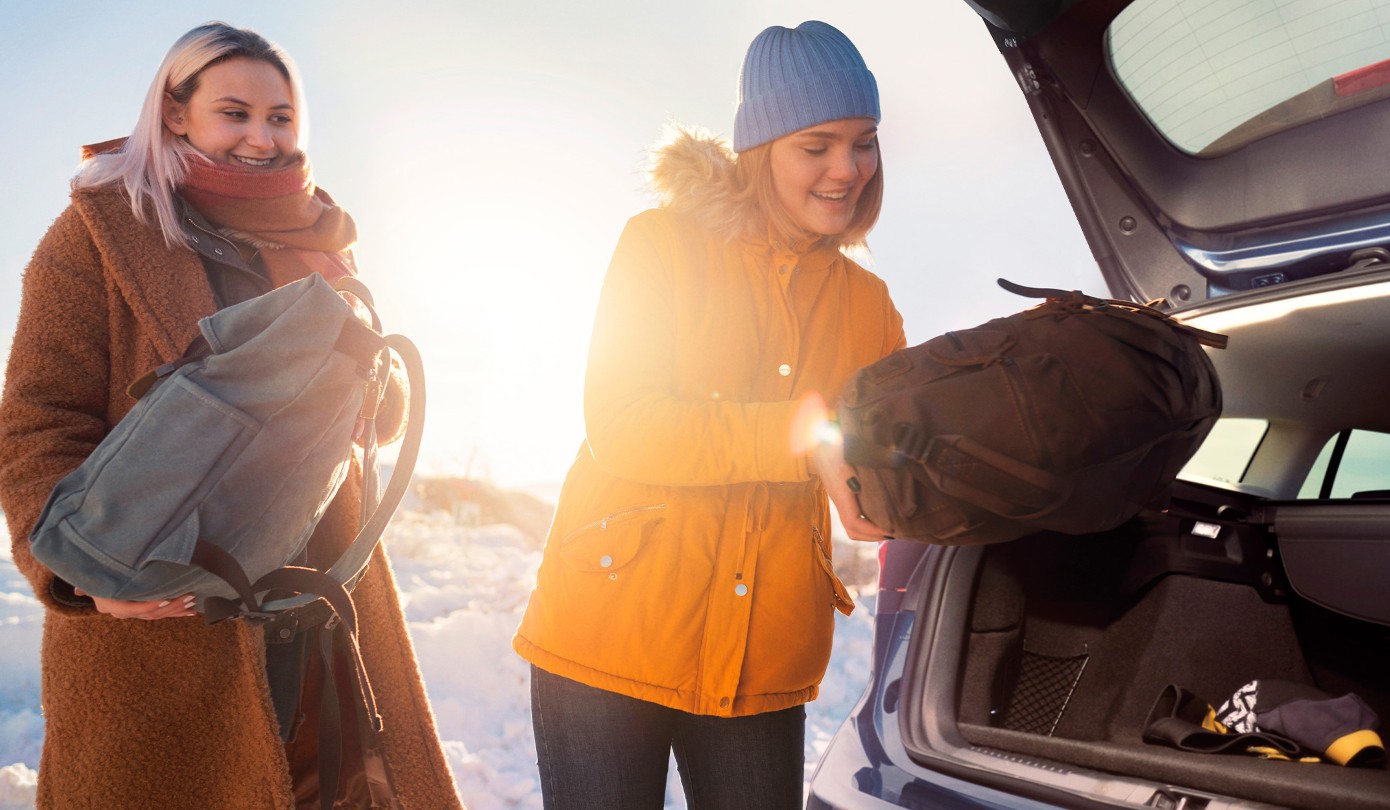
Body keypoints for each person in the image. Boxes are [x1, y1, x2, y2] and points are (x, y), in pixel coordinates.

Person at [0, 23, 463, 809]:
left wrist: (373, 389)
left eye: (280, 117)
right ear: (176, 114)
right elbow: (35, 425)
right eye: (235, 112)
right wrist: (81, 581)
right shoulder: (98, 236)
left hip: (313, 608)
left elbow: (375, 419)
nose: (262, 136)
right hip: (162, 620)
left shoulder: (319, 241)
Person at [512, 20, 905, 810]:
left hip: (764, 656)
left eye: (863, 142)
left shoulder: (869, 306)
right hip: (610, 632)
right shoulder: (661, 244)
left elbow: (892, 451)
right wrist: (804, 436)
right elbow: (625, 422)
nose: (847, 169)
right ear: (760, 150)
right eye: (816, 145)